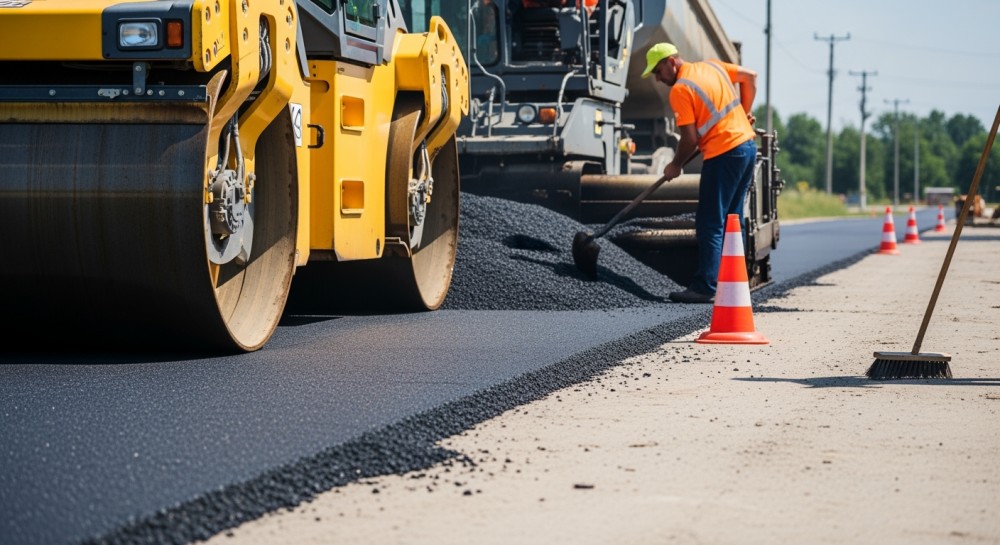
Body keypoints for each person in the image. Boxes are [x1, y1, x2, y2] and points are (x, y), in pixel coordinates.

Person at [641, 42, 758, 304]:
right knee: (732, 221)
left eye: (658, 71)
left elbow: (690, 139)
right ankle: (734, 283)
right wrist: (744, 112)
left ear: (671, 62)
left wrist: (675, 164)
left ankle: (705, 287)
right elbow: (750, 77)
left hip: (724, 153)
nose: (658, 79)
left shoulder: (681, 89)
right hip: (746, 148)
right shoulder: (712, 66)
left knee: (710, 223)